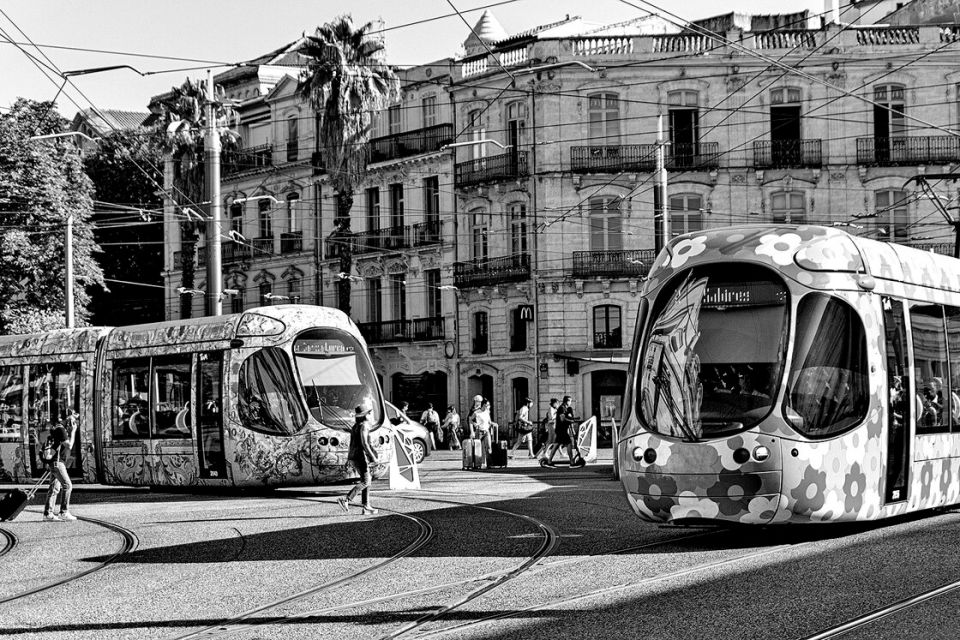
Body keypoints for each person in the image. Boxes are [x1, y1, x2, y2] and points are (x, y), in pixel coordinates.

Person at [337, 401, 379, 515]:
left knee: (366, 480)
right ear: (365, 415)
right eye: (369, 413)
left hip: (354, 456)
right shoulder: (364, 426)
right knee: (366, 481)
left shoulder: (355, 426)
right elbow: (364, 443)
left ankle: (366, 506)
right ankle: (346, 499)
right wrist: (373, 457)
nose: (371, 415)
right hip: (361, 457)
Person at [43, 411, 79, 522]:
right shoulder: (61, 429)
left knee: (54, 488)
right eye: (73, 420)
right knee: (67, 486)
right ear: (68, 419)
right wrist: (73, 432)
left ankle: (48, 514)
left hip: (55, 462)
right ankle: (64, 512)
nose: (73, 423)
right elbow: (69, 445)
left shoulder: (58, 428)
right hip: (58, 463)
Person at [542, 395, 583, 467]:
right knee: (569, 444)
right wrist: (572, 420)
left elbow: (568, 418)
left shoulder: (566, 408)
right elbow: (562, 418)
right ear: (567, 401)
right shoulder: (562, 408)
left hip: (562, 430)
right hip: (561, 430)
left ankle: (549, 461)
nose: (570, 402)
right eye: (570, 401)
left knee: (556, 445)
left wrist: (573, 419)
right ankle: (572, 462)